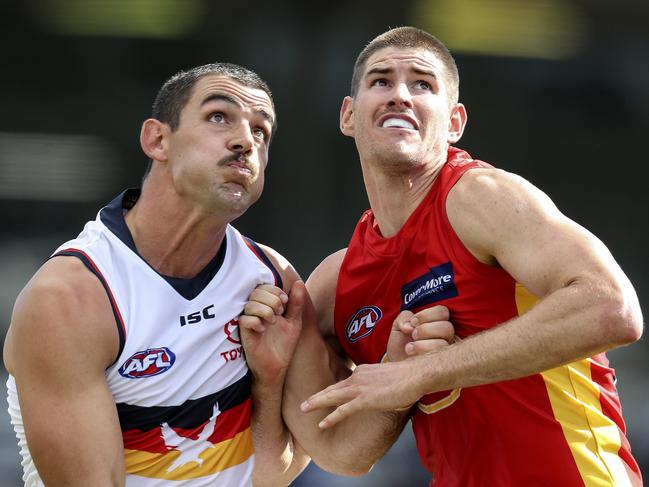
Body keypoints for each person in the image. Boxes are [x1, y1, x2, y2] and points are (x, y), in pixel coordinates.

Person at [242, 27, 644, 486]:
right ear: (349, 115)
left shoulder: (480, 197)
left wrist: (419, 373)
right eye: (380, 82)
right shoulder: (337, 283)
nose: (399, 96)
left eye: (422, 84)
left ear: (454, 122)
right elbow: (341, 455)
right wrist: (392, 376)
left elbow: (612, 308)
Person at [2, 62, 314, 486]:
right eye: (219, 116)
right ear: (157, 139)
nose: (245, 140)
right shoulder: (71, 297)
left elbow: (267, 475)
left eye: (261, 131)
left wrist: (269, 383)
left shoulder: (271, 278)